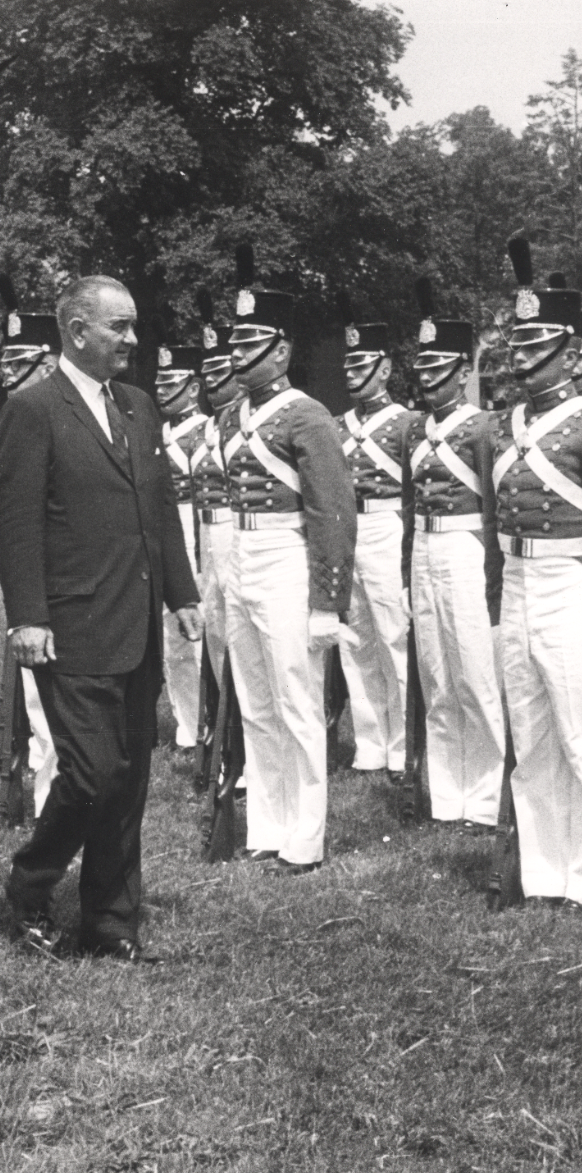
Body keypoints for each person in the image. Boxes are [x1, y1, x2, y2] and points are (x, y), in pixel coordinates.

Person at [0, 274, 202, 961]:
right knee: (90, 774)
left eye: (134, 327)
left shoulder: (138, 407)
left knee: (130, 777)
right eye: (121, 327)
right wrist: (27, 615)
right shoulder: (34, 408)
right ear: (78, 331)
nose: (133, 341)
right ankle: (30, 884)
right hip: (71, 627)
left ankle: (111, 919)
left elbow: (160, 508)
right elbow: (16, 520)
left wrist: (182, 594)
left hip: (136, 623)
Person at [221, 247, 356, 872]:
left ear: (280, 350)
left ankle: (306, 833)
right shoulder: (228, 417)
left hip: (286, 555)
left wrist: (328, 602)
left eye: (251, 341)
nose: (236, 352)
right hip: (240, 555)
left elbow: (333, 511)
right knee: (253, 697)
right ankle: (266, 825)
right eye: (234, 339)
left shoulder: (306, 413)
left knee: (295, 696)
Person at [493, 243, 582, 905]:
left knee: (578, 730)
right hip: (516, 585)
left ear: (570, 353)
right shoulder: (504, 425)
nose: (520, 358)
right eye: (517, 346)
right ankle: (547, 875)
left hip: (568, 582)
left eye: (536, 347)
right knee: (531, 737)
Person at [400, 277, 504, 829]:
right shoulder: (413, 429)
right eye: (423, 369)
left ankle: (485, 798)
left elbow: (492, 507)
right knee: (436, 672)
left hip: (466, 547)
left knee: (475, 673)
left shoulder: (484, 427)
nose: (428, 380)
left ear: (463, 372)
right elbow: (405, 502)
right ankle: (446, 794)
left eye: (440, 370)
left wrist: (493, 575)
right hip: (423, 547)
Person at [333, 295, 416, 784]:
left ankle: (403, 745)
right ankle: (369, 743)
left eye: (362, 365)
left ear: (384, 369)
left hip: (387, 528)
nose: (351, 374)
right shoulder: (338, 425)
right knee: (356, 640)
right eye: (348, 365)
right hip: (350, 530)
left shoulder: (406, 423)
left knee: (393, 639)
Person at [0, 273, 62, 817]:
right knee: (36, 700)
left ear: (46, 363)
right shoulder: (21, 415)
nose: (7, 375)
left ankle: (54, 803)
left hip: (62, 582)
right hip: (30, 577)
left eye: (19, 365)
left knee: (57, 706)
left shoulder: (53, 413)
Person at [156, 339, 208, 748]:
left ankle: (209, 718)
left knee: (199, 634)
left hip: (194, 532)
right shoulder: (156, 432)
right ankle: (186, 723)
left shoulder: (206, 431)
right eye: (160, 381)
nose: (161, 389)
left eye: (171, 382)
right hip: (164, 533)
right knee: (171, 642)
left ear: (193, 388)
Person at [190, 291, 240, 675]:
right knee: (215, 625)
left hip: (237, 531)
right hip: (207, 533)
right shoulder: (206, 428)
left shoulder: (245, 422)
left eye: (218, 369)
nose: (210, 379)